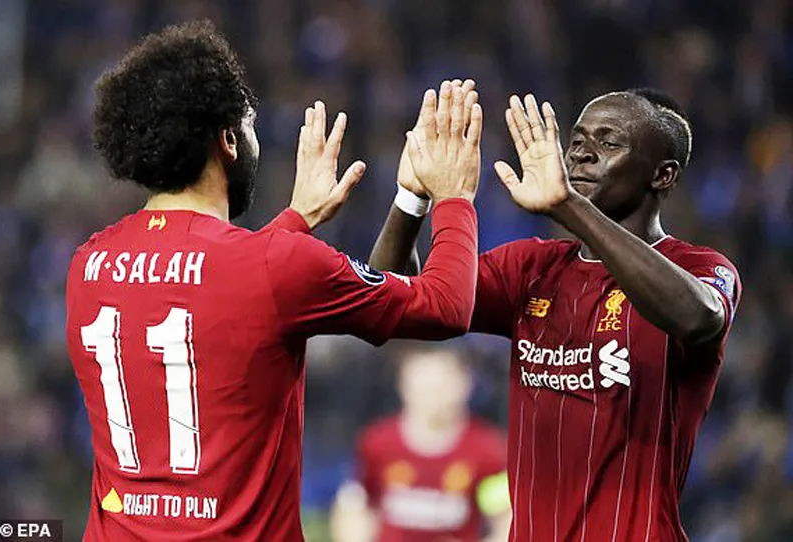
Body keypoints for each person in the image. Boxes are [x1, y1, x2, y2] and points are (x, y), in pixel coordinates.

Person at [65, 21, 484, 541]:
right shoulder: (275, 265)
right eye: (250, 126)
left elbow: (206, 287)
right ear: (228, 141)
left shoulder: (88, 264)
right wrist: (452, 196)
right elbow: (445, 307)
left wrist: (295, 221)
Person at [365, 88, 742, 540]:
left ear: (662, 175)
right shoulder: (530, 268)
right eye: (577, 140)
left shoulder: (700, 268)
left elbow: (697, 318)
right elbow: (393, 305)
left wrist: (567, 205)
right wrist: (412, 198)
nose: (581, 153)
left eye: (608, 142)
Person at [331, 344, 510, 542]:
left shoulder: (489, 451)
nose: (432, 395)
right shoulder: (377, 443)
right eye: (423, 385)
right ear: (403, 385)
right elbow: (355, 505)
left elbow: (506, 521)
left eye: (440, 385)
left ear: (465, 384)